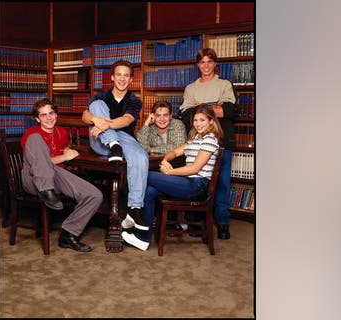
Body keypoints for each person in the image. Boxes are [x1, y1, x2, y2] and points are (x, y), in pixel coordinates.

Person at [121, 104, 223, 251]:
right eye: (195, 120)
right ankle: (143, 238)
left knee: (144, 175)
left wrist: (169, 172)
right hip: (187, 182)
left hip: (196, 185)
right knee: (149, 191)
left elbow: (195, 168)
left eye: (202, 120)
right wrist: (165, 160)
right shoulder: (195, 138)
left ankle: (132, 213)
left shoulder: (210, 139)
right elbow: (175, 152)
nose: (198, 124)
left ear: (211, 121)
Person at [21, 98, 103, 252]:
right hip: (33, 179)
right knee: (38, 147)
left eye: (51, 113)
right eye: (43, 115)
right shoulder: (31, 134)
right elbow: (39, 164)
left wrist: (67, 151)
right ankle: (46, 190)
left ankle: (68, 234)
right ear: (37, 119)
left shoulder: (63, 132)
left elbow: (61, 158)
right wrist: (65, 157)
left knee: (94, 195)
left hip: (56, 176)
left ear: (56, 114)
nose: (49, 118)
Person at [81, 59, 149, 232]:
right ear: (112, 77)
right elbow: (84, 116)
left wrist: (103, 124)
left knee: (141, 156)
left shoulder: (134, 100)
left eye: (126, 76)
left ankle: (135, 208)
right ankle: (112, 143)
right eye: (119, 74)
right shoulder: (101, 96)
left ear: (131, 79)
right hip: (100, 142)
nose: (122, 79)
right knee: (96, 106)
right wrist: (95, 119)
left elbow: (127, 120)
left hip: (124, 141)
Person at [178, 47, 237, 240]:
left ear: (215, 64)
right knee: (196, 178)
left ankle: (222, 223)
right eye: (202, 62)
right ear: (198, 65)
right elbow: (187, 116)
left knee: (221, 184)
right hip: (196, 142)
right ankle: (196, 221)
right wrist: (214, 107)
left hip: (222, 142)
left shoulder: (225, 84)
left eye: (209, 62)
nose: (206, 65)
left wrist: (199, 108)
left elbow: (228, 111)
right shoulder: (191, 88)